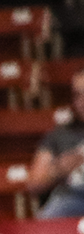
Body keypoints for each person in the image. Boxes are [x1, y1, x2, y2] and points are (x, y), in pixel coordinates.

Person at [29, 71, 84, 219]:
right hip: (72, 199)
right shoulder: (59, 135)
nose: (82, 100)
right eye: (78, 95)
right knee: (48, 217)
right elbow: (34, 184)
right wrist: (59, 168)